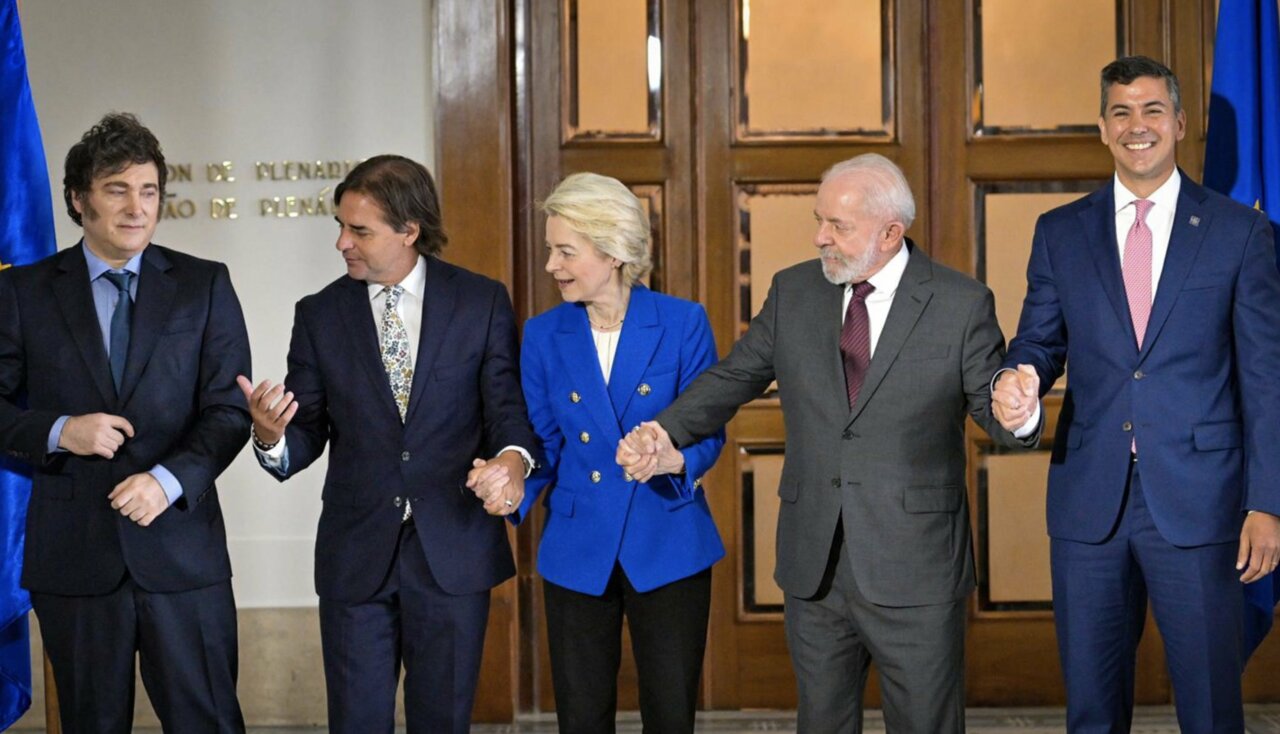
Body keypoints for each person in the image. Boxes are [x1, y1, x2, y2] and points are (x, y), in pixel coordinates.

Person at [619, 153, 1027, 733]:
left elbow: (995, 408)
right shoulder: (794, 291)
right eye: (819, 220)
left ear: (890, 233)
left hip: (915, 567)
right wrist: (665, 430)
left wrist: (1021, 409)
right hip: (815, 563)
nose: (820, 237)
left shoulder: (961, 303)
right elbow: (736, 375)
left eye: (838, 226)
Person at [992, 56, 1280, 733]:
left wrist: (1267, 502)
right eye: (1120, 112)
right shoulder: (1060, 231)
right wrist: (1023, 379)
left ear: (1179, 123)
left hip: (1201, 501)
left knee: (1210, 708)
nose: (1137, 125)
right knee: (1092, 710)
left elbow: (1266, 379)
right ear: (1101, 128)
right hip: (1088, 503)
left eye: (1152, 110)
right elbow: (1039, 342)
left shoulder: (1241, 233)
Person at [237, 154, 540, 734]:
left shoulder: (481, 302)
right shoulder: (320, 314)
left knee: (442, 722)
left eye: (359, 230)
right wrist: (272, 437)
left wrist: (510, 462)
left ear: (409, 230)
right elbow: (308, 430)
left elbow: (507, 413)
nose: (342, 243)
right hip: (356, 558)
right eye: (341, 226)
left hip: (453, 552)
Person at [0, 113, 250, 732]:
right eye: (117, 189)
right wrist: (62, 431)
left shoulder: (204, 284)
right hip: (75, 562)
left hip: (183, 558)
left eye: (149, 191)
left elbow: (228, 411)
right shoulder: (22, 293)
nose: (137, 207)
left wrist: (166, 480)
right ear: (79, 199)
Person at [501, 173, 724, 733]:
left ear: (615, 250)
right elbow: (543, 442)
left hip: (668, 538)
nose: (551, 264)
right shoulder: (543, 333)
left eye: (565, 251)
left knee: (670, 716)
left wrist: (673, 459)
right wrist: (510, 482)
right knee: (581, 718)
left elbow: (708, 428)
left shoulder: (682, 322)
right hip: (578, 546)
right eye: (552, 249)